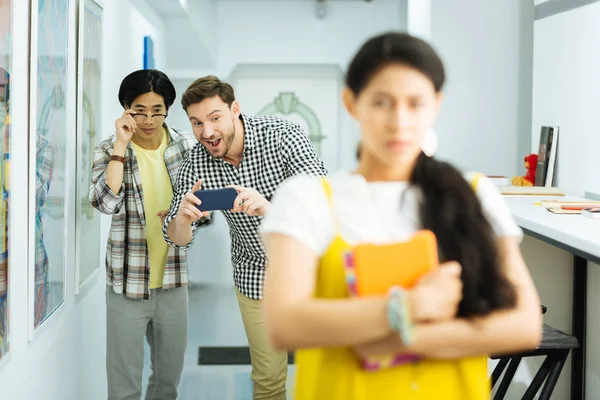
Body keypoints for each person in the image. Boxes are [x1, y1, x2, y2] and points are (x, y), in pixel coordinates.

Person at [259, 32, 542, 400]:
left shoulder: (473, 194)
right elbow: (285, 325)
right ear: (351, 103)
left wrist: (402, 339)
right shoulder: (306, 198)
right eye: (381, 102)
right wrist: (408, 307)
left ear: (436, 105)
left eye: (415, 103)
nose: (399, 121)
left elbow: (523, 325)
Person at [162, 75, 327, 400]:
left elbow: (320, 197)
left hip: (312, 268)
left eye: (214, 118)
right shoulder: (196, 163)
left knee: (323, 373)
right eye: (196, 123)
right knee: (267, 377)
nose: (206, 132)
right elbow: (176, 237)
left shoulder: (282, 136)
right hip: (254, 272)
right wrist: (181, 218)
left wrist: (270, 207)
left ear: (234, 109)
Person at [89, 69, 200, 400]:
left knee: (168, 380)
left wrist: (191, 215)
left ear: (168, 109)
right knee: (124, 384)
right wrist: (121, 146)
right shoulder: (109, 149)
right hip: (127, 282)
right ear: (126, 108)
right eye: (139, 110)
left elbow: (200, 213)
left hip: (173, 279)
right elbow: (104, 203)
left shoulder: (187, 147)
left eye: (157, 110)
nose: (149, 120)